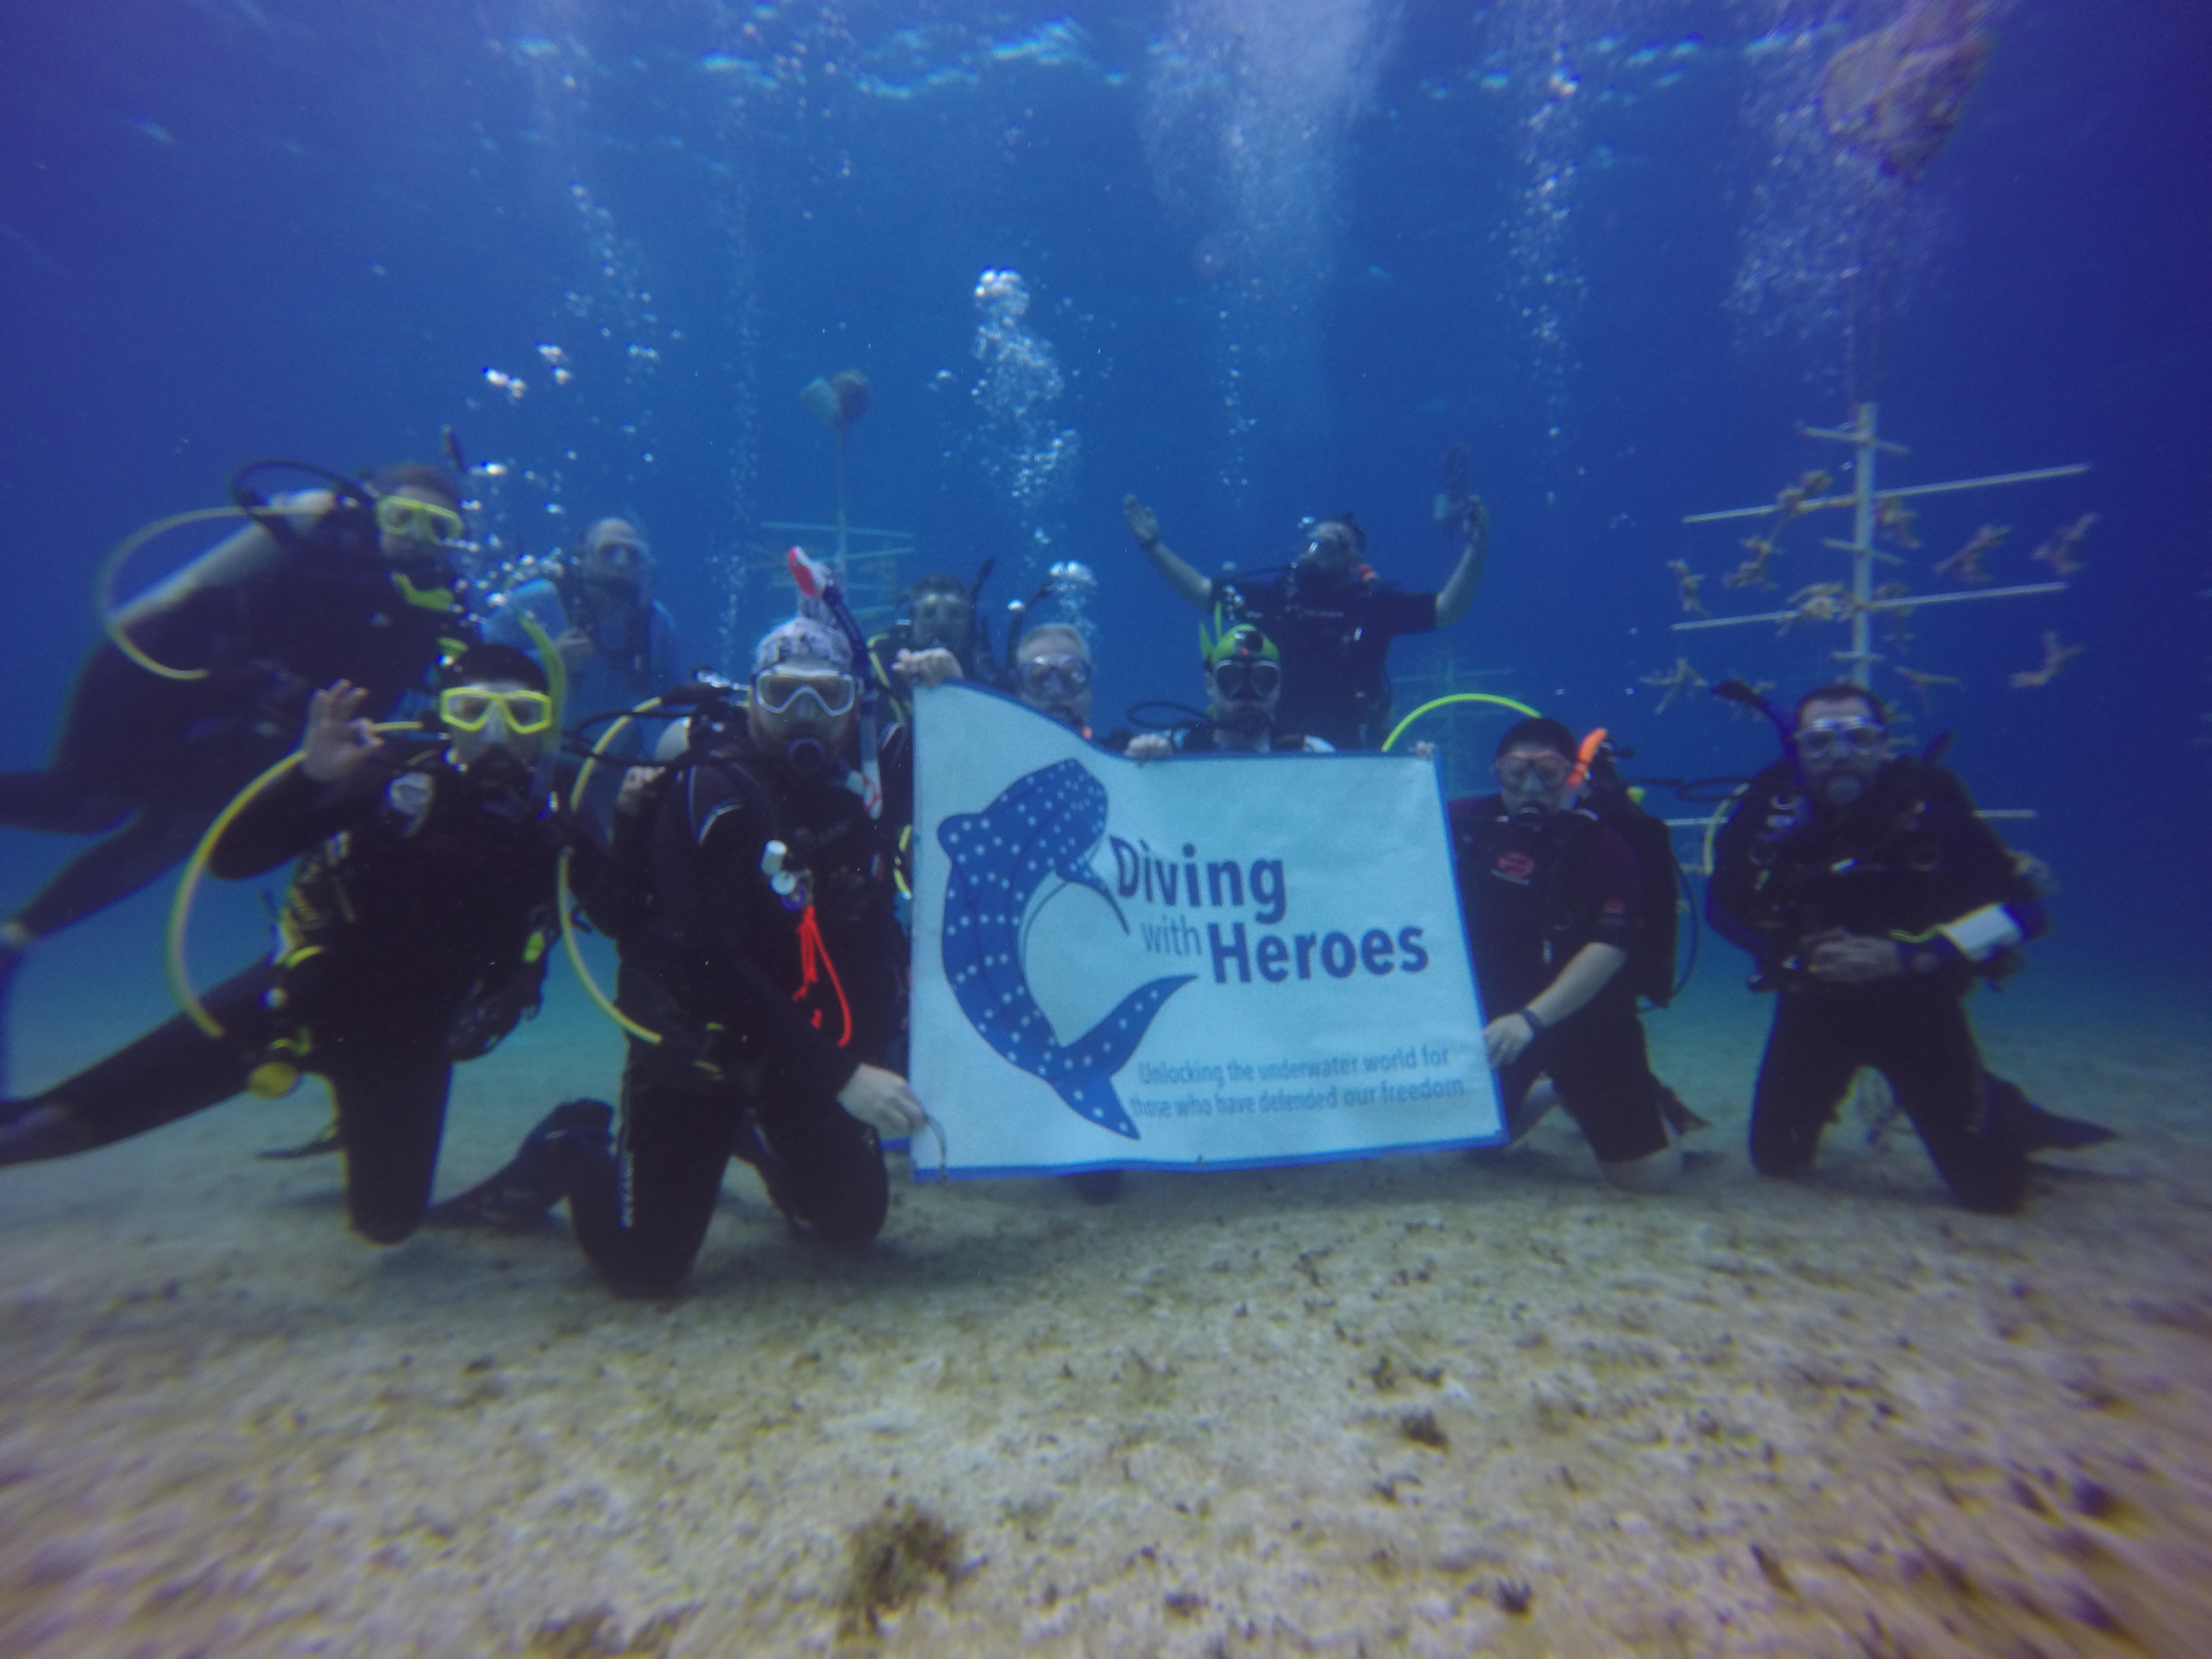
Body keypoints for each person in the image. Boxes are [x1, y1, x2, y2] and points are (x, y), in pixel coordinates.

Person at [430, 615, 930, 1297]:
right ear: (751, 697)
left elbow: (969, 770)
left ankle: (755, 1137)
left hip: (791, 1056)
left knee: (851, 1224)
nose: (803, 717)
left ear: (854, 707)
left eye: (827, 697)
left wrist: (951, 696)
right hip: (699, 1059)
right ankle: (572, 1150)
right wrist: (846, 1077)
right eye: (782, 694)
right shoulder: (714, 787)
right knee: (647, 1274)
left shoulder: (865, 788)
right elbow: (709, 962)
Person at [0, 646, 568, 1244]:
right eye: (474, 710)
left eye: (522, 715)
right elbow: (232, 860)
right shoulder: (382, 772)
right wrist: (309, 778)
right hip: (289, 1001)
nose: (497, 733)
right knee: (43, 1130)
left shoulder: (554, 813)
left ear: (546, 721)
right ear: (444, 715)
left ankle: (463, 1153)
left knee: (388, 1224)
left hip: (404, 1043)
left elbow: (606, 901)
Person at [0, 463, 473, 1079]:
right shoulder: (313, 527)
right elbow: (178, 599)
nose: (416, 537)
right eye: (402, 517)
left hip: (249, 726)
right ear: (370, 508)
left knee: (173, 835)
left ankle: (15, 941)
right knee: (87, 805)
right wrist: (229, 675)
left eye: (438, 527)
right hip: (161, 678)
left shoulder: (431, 604)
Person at [1707, 682, 2110, 1214]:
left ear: (1883, 745)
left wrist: (1914, 956)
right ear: (1797, 748)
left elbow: (2025, 912)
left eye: (1858, 737)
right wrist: (1789, 956)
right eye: (1820, 743)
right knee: (1776, 1160)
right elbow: (1720, 908)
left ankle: (2004, 1110)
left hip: (1920, 1007)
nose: (1841, 755)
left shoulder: (1927, 796)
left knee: (1993, 1194)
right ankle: (1929, 1097)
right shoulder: (1774, 800)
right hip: (1815, 1005)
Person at [1449, 717, 1692, 1194]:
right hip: (1500, 1022)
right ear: (1497, 773)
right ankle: (1553, 1094)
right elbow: (1390, 832)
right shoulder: (1465, 823)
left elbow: (1610, 948)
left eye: (1549, 772)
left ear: (1571, 777)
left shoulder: (1602, 845)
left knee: (1650, 1181)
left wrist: (1532, 1020)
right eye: (1516, 773)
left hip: (1588, 1021)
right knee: (1475, 1146)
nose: (1533, 787)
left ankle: (1639, 1101)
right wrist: (1406, 779)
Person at [1120, 480, 1490, 750]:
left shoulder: (1375, 607)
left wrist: (1476, 549)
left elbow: (1447, 609)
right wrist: (1153, 546)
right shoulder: (1277, 598)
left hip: (1346, 746)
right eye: (1313, 542)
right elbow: (1202, 592)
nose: (1319, 550)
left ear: (1356, 560)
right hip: (1275, 745)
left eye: (1334, 544)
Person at [486, 517, 681, 823]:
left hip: (604, 774)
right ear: (584, 556)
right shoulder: (539, 599)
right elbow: (476, 663)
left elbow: (674, 701)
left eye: (633, 555)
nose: (620, 565)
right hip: (524, 762)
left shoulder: (656, 625)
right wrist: (548, 660)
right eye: (609, 552)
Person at [1124, 621, 1334, 759]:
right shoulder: (1172, 749)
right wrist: (1139, 760)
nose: (1247, 694)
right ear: (1210, 685)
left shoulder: (1314, 754)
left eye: (1262, 680)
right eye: (1232, 679)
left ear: (1278, 687)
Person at [868, 571, 1006, 722]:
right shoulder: (883, 659)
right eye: (929, 613)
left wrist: (957, 691)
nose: (941, 624)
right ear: (912, 621)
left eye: (954, 614)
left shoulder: (986, 673)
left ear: (969, 625)